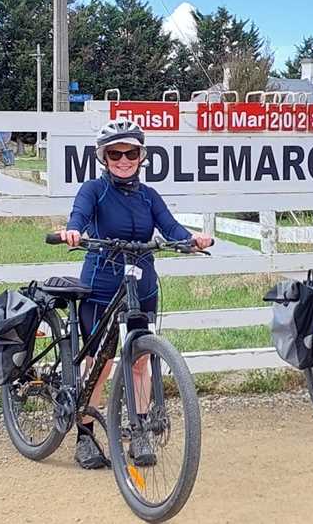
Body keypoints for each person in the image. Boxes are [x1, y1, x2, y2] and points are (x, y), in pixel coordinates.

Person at [58, 117, 212, 469]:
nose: (124, 160)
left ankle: (139, 428)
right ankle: (84, 434)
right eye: (115, 154)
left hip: (141, 284)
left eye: (131, 153)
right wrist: (72, 232)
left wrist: (190, 239)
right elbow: (79, 217)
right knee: (100, 362)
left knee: (141, 360)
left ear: (142, 156)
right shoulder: (93, 191)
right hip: (101, 284)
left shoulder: (149, 196)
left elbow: (170, 226)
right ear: (103, 157)